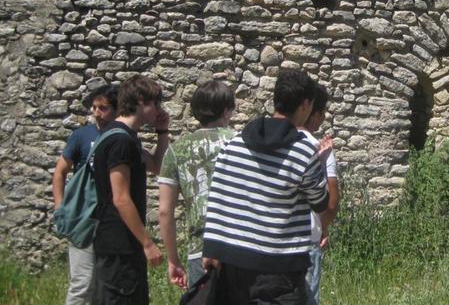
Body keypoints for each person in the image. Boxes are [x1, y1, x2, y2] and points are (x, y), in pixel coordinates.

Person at [202, 69, 331, 305]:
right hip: (280, 267)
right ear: (305, 105)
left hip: (234, 263)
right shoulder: (303, 152)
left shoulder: (234, 144)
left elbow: (217, 197)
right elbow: (320, 201)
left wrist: (211, 247)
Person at [91, 74, 171, 304]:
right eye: (154, 103)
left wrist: (162, 132)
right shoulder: (120, 141)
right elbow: (121, 198)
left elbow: (156, 166)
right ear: (138, 101)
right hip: (118, 243)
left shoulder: (126, 138)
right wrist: (148, 243)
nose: (158, 109)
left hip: (122, 243)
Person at [158, 80, 236, 290]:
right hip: (239, 247)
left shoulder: (176, 151)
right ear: (227, 111)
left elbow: (165, 211)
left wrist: (173, 259)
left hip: (200, 248)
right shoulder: (241, 143)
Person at [51, 85, 118, 305]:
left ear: (117, 110)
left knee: (105, 284)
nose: (97, 113)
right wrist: (60, 208)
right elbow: (60, 171)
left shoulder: (122, 136)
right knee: (82, 284)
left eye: (104, 108)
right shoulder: (82, 136)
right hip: (83, 219)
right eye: (95, 108)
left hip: (110, 220)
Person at [296, 84, 340, 305]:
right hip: (308, 239)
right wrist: (324, 227)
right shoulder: (319, 148)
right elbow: (332, 201)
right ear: (314, 113)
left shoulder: (275, 144)